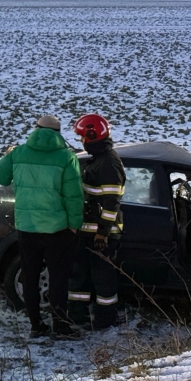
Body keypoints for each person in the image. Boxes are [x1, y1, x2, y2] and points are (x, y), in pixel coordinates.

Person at [0, 115, 83, 339]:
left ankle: (36, 325)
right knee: (58, 279)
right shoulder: (67, 157)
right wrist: (74, 225)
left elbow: (0, 178)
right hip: (58, 230)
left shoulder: (18, 153)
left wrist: (8, 156)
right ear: (58, 133)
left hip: (27, 228)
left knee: (30, 277)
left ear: (36, 129)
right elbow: (74, 196)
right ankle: (60, 326)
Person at [68, 114, 126, 330]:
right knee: (80, 276)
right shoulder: (100, 159)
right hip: (89, 231)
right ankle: (77, 317)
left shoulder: (109, 163)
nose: (81, 141)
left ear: (92, 136)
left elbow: (112, 202)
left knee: (103, 278)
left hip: (102, 234)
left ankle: (105, 320)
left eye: (82, 136)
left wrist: (102, 232)